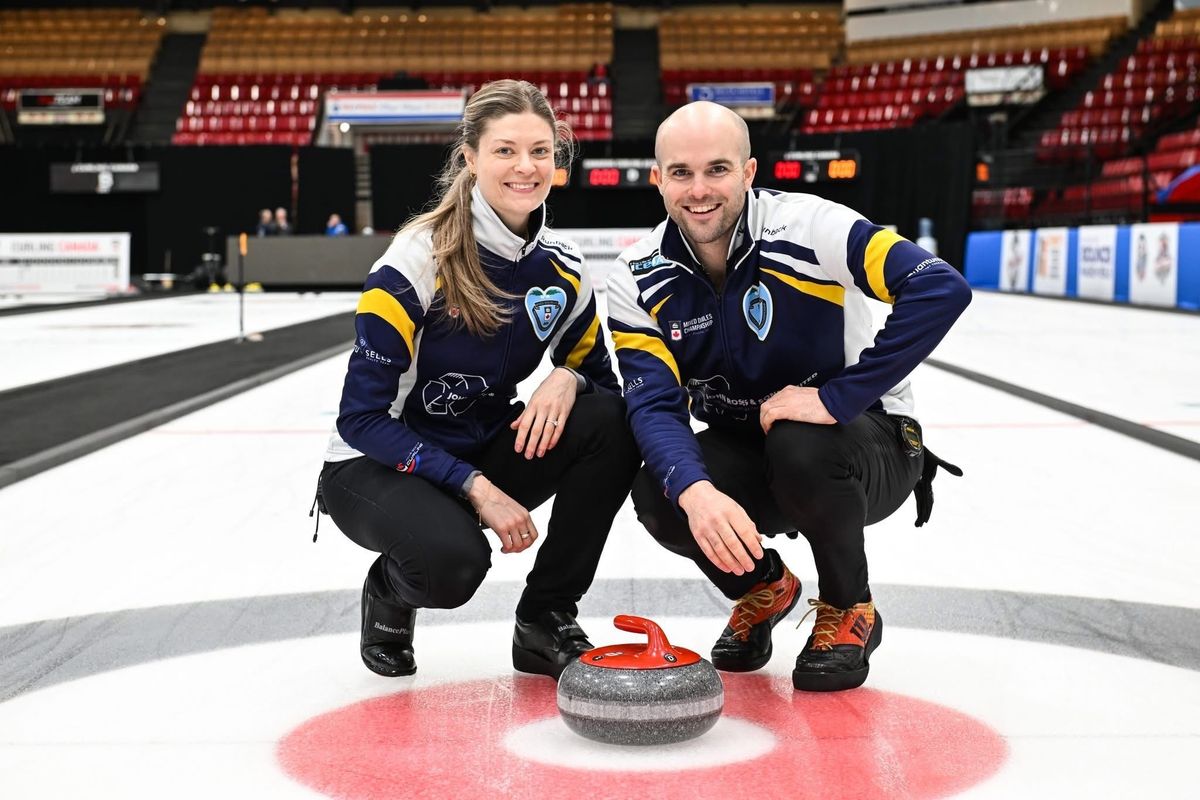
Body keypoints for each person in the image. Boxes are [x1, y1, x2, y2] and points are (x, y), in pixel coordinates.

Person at [606, 101, 971, 692]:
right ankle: (764, 587)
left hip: (865, 444)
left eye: (718, 170)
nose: (699, 190)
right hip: (755, 451)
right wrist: (696, 492)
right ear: (657, 179)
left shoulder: (809, 227)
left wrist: (838, 398)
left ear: (750, 172)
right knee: (661, 487)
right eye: (681, 173)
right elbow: (653, 405)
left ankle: (850, 608)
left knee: (801, 437)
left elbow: (938, 286)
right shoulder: (635, 275)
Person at [318, 79, 639, 681]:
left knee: (612, 422)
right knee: (451, 566)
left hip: (478, 451)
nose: (527, 167)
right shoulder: (415, 260)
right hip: (375, 463)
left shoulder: (564, 269)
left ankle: (545, 617)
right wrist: (475, 487)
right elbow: (359, 420)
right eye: (506, 150)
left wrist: (569, 378)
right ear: (469, 157)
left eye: (541, 151)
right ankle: (391, 590)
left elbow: (605, 385)